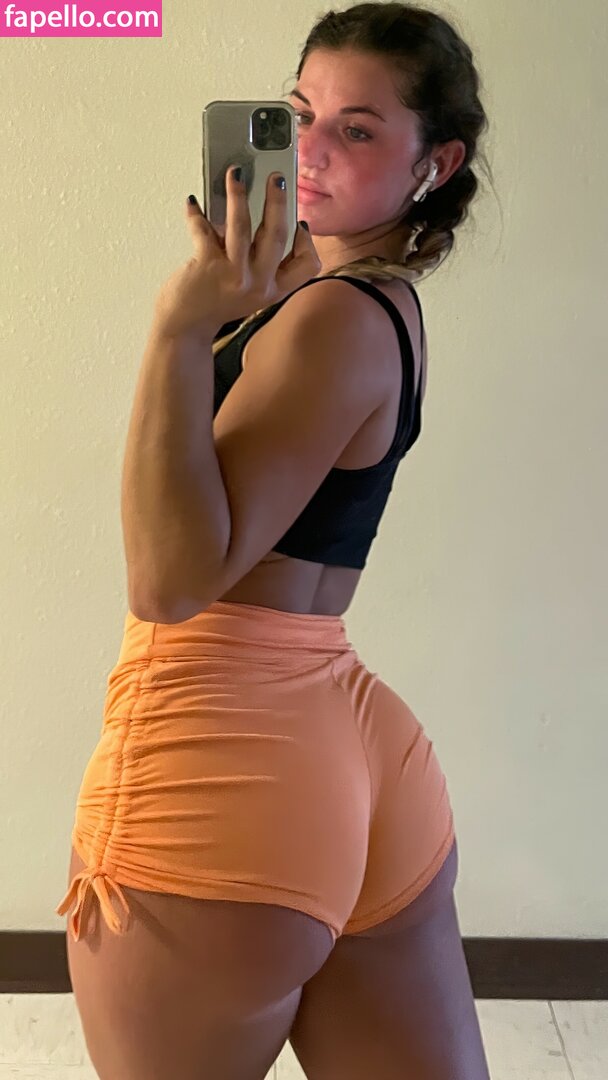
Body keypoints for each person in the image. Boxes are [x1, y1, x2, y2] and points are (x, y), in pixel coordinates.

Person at [56, 4, 492, 1078]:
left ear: (434, 164)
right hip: (351, 745)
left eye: (357, 129)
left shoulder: (330, 318)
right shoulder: (371, 302)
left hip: (224, 755)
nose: (310, 150)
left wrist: (176, 326)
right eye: (298, 115)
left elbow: (170, 582)